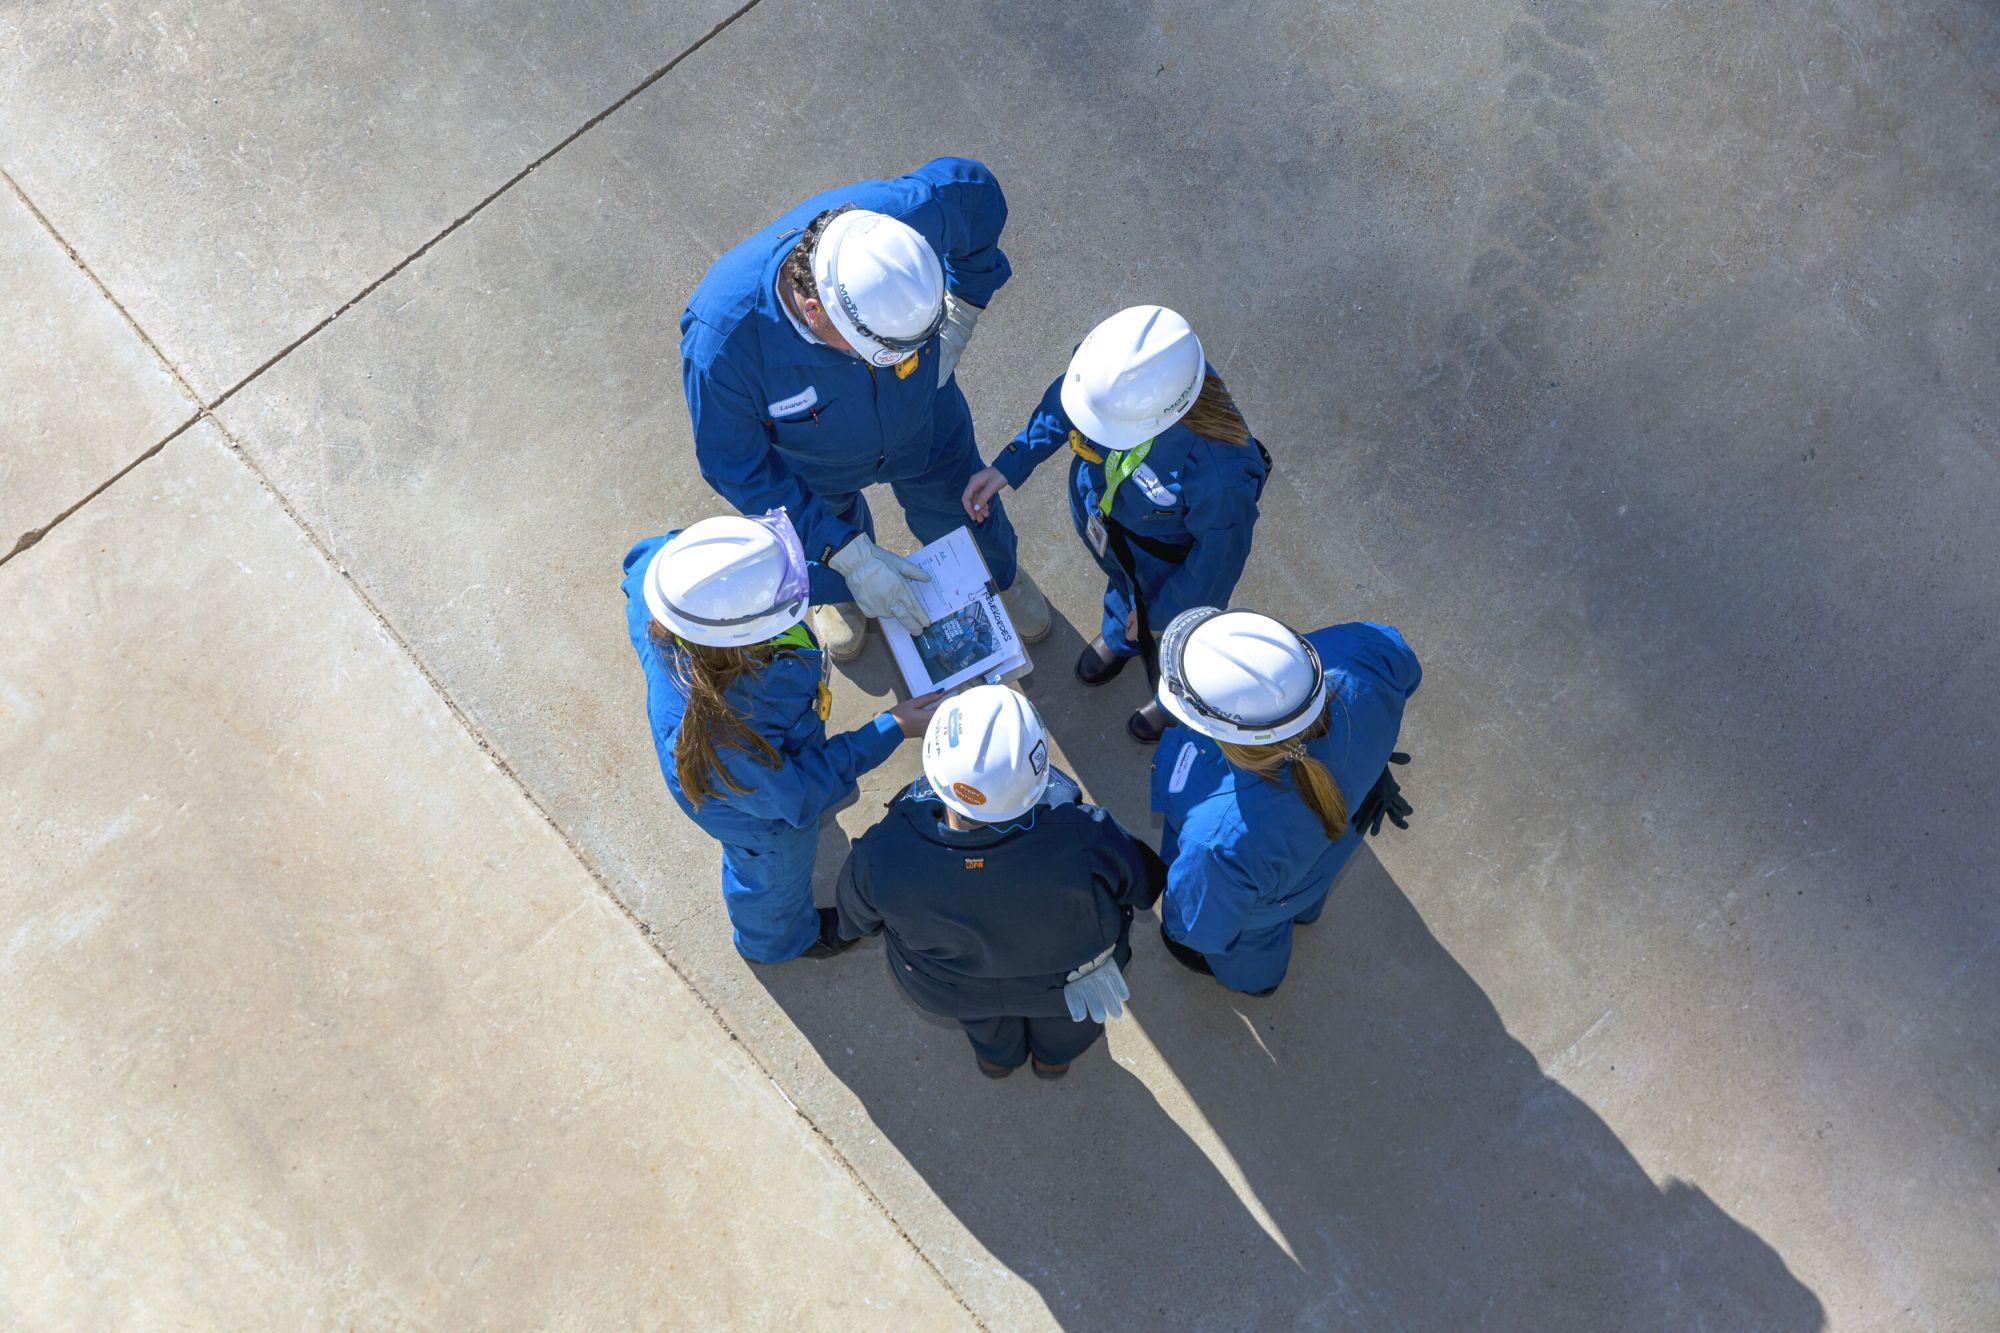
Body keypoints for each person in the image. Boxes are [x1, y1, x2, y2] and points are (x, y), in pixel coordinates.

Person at [681, 157, 1051, 663]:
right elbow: (736, 464)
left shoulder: (909, 216)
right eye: (883, 353)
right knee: (828, 536)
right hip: (814, 469)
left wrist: (963, 310)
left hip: (927, 424)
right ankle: (842, 594)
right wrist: (845, 554)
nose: (897, 361)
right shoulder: (724, 344)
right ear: (814, 312)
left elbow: (979, 193)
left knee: (965, 509)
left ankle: (996, 575)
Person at [621, 512, 941, 964]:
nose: (794, 580)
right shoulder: (727, 736)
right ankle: (777, 942)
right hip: (760, 816)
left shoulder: (677, 576)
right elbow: (798, 791)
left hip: (762, 773)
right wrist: (891, 728)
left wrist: (860, 578)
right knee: (771, 874)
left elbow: (642, 560)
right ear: (745, 631)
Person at [961, 305, 1269, 742]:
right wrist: (1011, 463)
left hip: (1169, 568)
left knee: (1178, 639)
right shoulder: (1113, 367)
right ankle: (1121, 634)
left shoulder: (1221, 471)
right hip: (1119, 536)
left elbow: (1216, 562)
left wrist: (1161, 616)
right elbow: (1068, 402)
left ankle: (1173, 696)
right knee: (1125, 592)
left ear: (1155, 415)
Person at [835, 686, 1165, 1079]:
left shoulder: (883, 852)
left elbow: (855, 918)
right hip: (1067, 983)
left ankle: (997, 1061)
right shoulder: (1086, 837)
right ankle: (1053, 1062)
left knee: (985, 1026)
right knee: (1069, 1025)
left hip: (953, 987)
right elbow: (1144, 885)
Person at [1149, 606, 1421, 997]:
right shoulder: (1364, 649)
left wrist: (1179, 932)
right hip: (1335, 843)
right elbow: (1402, 668)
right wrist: (1372, 765)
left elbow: (1201, 925)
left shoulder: (1214, 839)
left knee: (1252, 956)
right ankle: (1307, 912)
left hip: (1261, 911)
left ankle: (1259, 982)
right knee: (1308, 893)